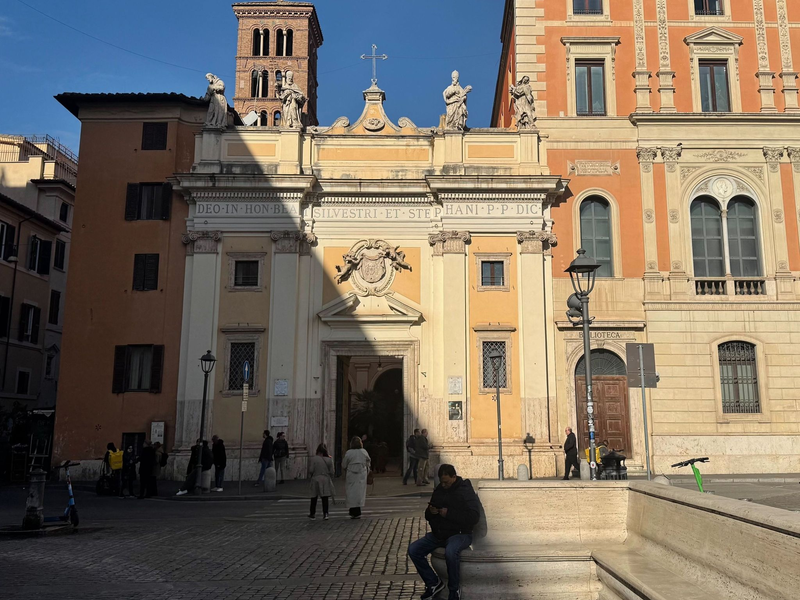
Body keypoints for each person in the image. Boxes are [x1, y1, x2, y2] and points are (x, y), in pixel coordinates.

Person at [408, 464, 481, 600]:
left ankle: (454, 590)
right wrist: (431, 512)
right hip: (439, 534)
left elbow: (473, 517)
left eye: (446, 482)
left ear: (454, 477)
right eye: (442, 482)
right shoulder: (440, 489)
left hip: (460, 533)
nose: (444, 485)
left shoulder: (465, 490)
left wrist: (449, 513)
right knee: (414, 549)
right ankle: (433, 583)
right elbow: (427, 515)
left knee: (451, 552)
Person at [342, 436, 371, 519]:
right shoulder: (363, 452)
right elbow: (368, 461)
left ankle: (352, 510)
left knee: (351, 493)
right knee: (359, 493)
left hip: (351, 474)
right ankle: (358, 510)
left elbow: (344, 464)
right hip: (361, 474)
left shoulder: (349, 452)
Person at [308, 444, 335, 520]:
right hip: (325, 479)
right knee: (325, 498)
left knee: (314, 497)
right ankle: (325, 514)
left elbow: (311, 470)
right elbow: (332, 471)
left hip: (316, 478)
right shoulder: (329, 459)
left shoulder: (314, 459)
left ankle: (312, 513)